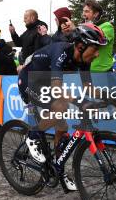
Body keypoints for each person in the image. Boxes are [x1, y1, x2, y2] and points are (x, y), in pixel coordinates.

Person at [19, 23, 107, 191]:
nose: (97, 54)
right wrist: (81, 102)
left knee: (63, 127)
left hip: (45, 83)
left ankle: (59, 170)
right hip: (29, 80)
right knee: (61, 106)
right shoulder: (60, 52)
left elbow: (89, 88)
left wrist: (111, 98)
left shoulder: (83, 59)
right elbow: (57, 90)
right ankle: (32, 135)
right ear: (80, 46)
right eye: (95, 49)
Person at [82, 0, 115, 73]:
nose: (83, 14)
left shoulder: (107, 26)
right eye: (83, 11)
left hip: (103, 71)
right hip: (87, 71)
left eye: (87, 11)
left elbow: (98, 40)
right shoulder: (83, 28)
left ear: (96, 14)